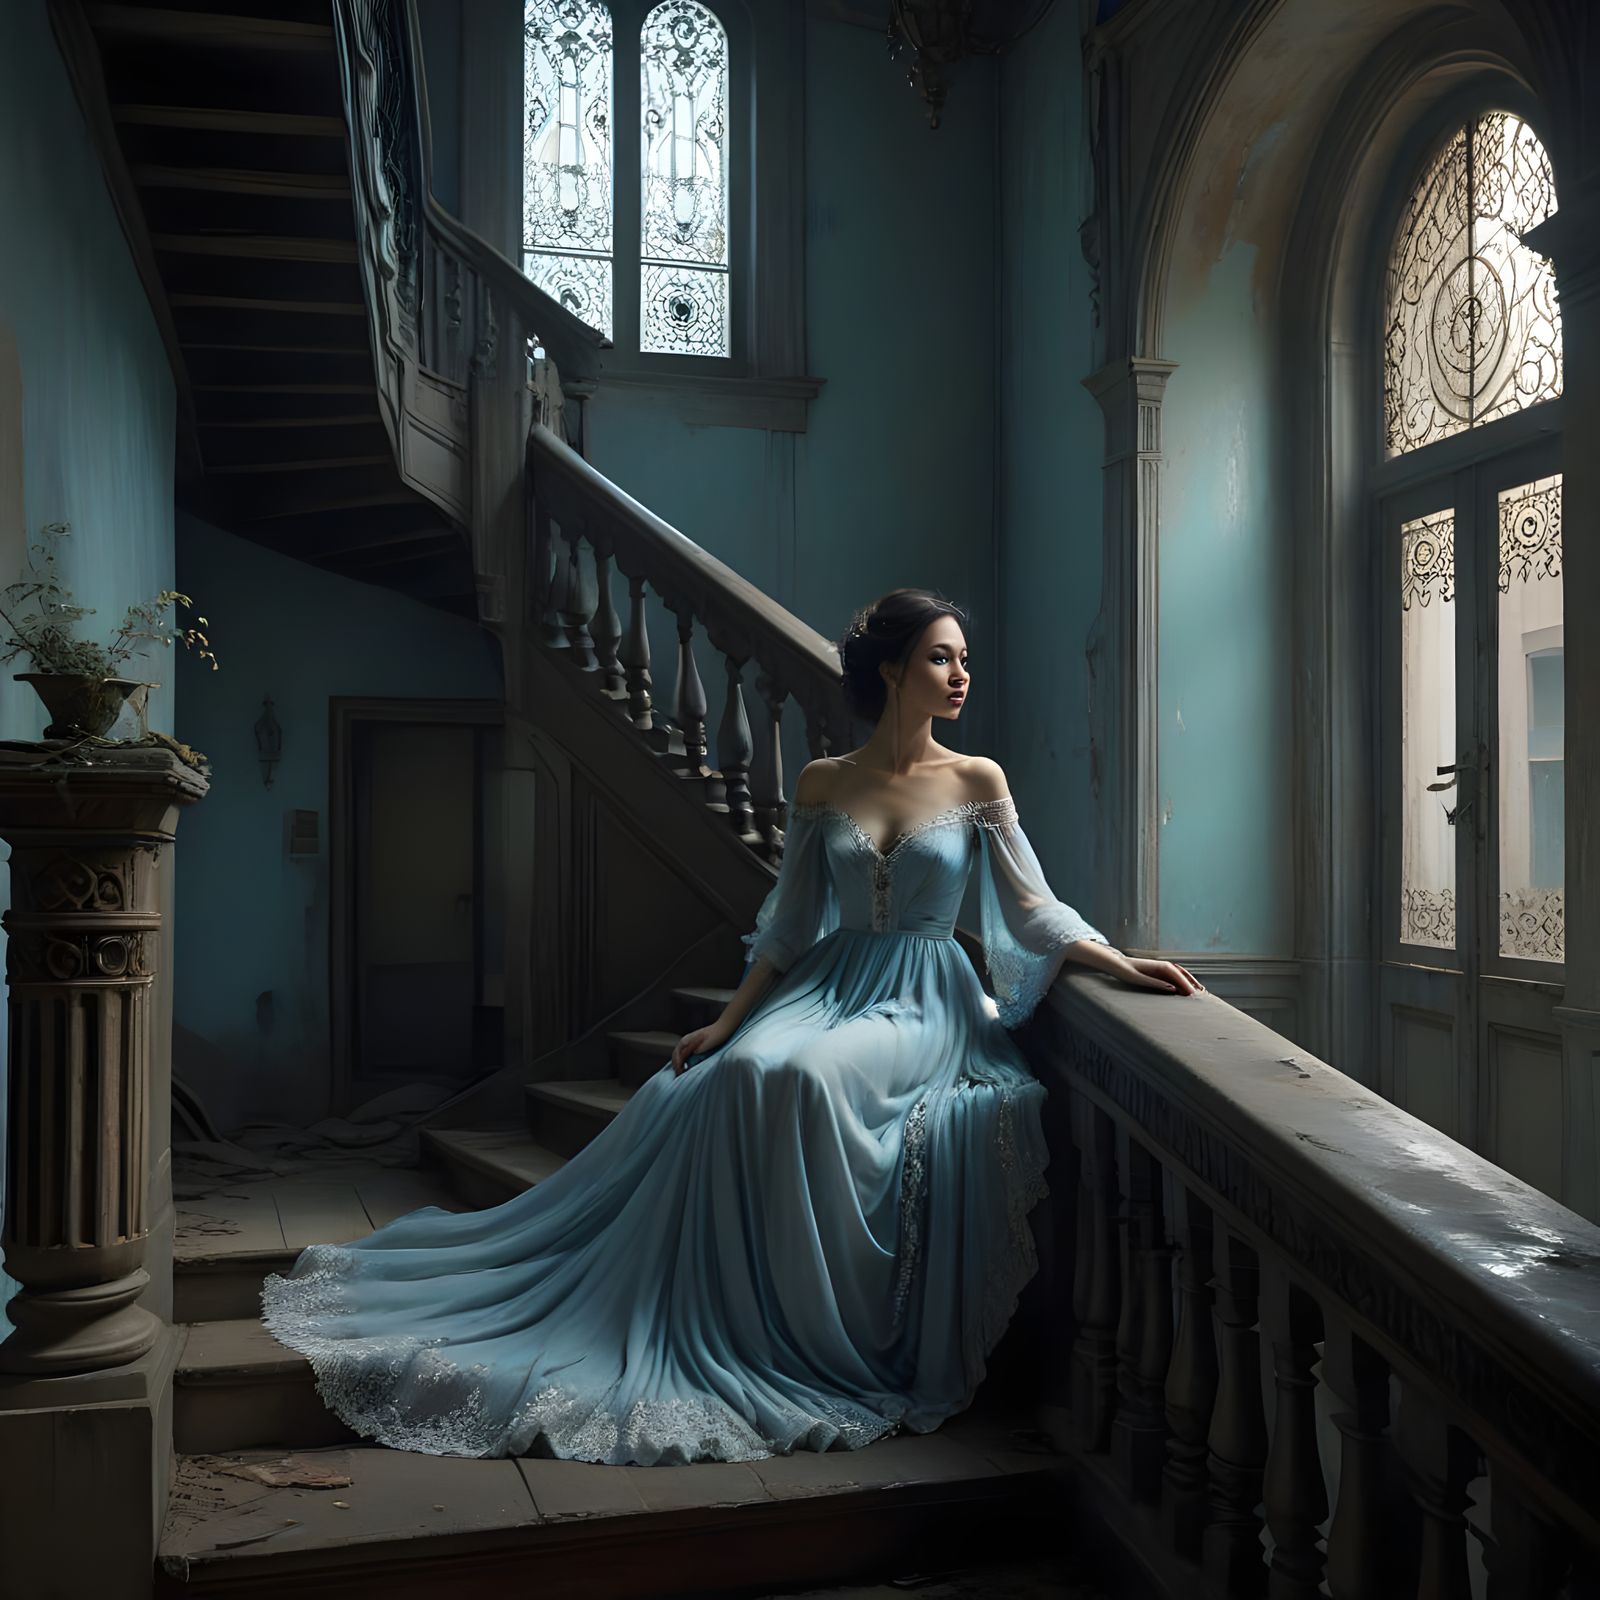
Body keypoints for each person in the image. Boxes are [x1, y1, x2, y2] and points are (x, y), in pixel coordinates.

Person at [261, 589, 1201, 1466]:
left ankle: (804, 1328)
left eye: (962, 661)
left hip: (923, 998)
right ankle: (733, 1308)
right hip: (828, 984)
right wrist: (728, 1022)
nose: (961, 677)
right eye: (942, 660)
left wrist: (1118, 963)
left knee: (795, 1080)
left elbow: (1031, 910)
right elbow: (791, 925)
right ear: (892, 671)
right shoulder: (823, 782)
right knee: (735, 1073)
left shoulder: (976, 778)